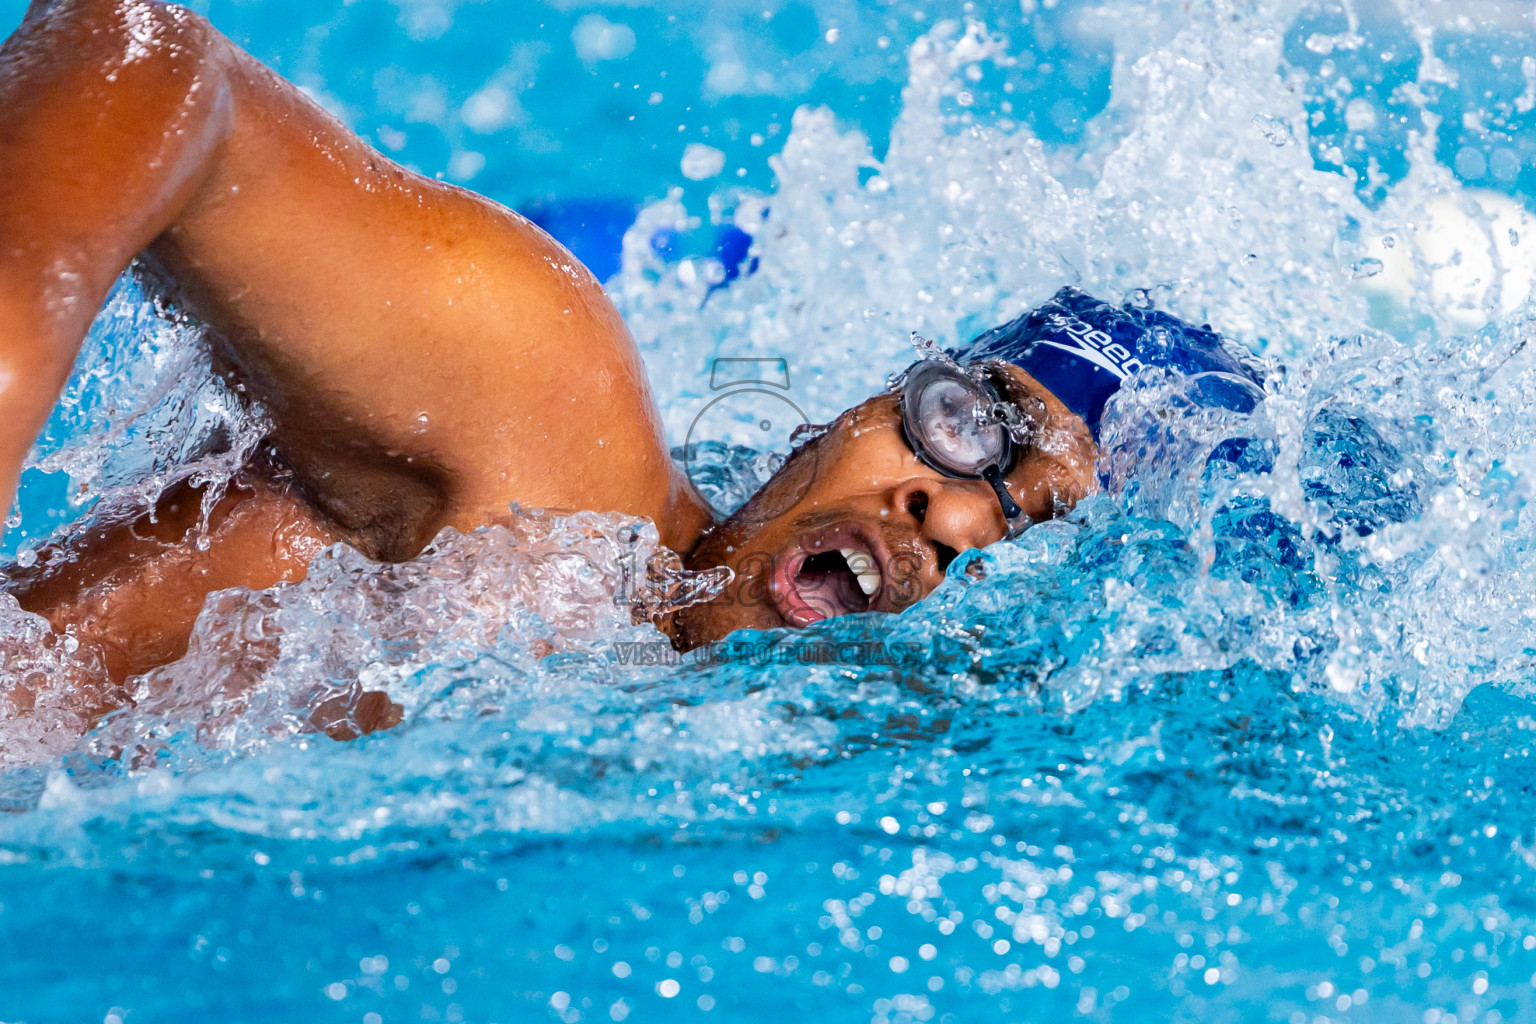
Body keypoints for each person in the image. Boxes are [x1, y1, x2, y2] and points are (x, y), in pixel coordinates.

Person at [0, 0, 1262, 723]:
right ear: (847, 409)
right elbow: (150, 55)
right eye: (965, 424)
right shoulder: (554, 448)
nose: (945, 507)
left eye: (1023, 530)